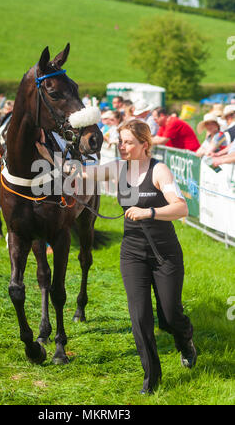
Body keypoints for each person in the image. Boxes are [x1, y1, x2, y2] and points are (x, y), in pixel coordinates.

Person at [81, 119, 196, 395]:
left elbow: (182, 208)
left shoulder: (159, 170)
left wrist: (150, 212)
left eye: (128, 142)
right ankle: (152, 378)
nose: (122, 146)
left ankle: (185, 340)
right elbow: (84, 174)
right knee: (140, 317)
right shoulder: (118, 168)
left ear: (145, 145)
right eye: (120, 141)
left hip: (165, 253)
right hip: (132, 253)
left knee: (169, 314)